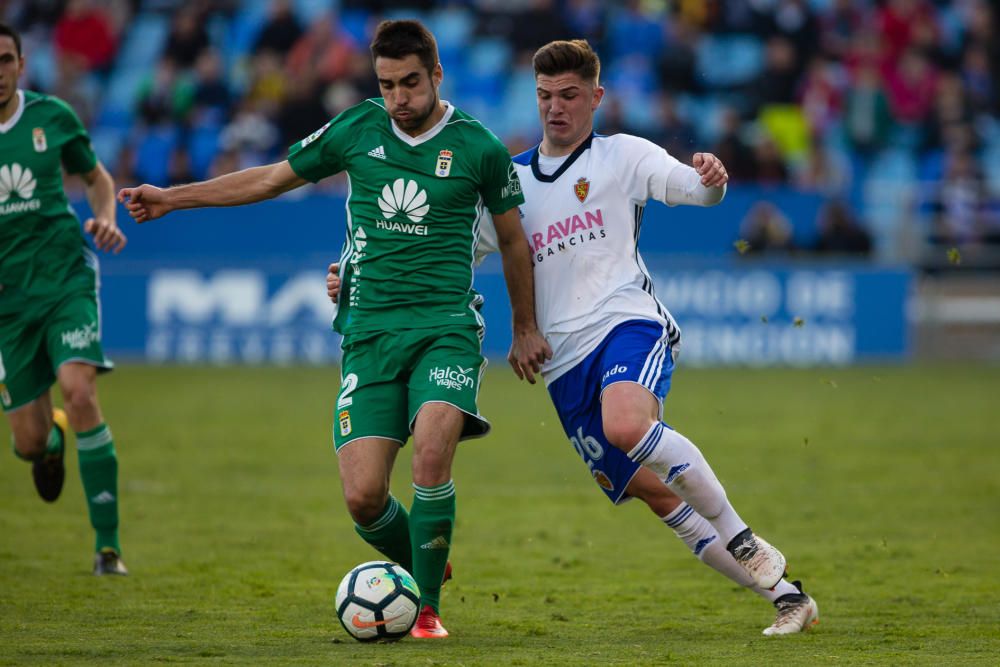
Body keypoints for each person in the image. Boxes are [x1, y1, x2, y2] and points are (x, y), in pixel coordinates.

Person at [344, 38, 818, 636]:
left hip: (625, 323)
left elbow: (697, 191)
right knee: (655, 493)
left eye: (569, 96)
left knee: (627, 425)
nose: (555, 108)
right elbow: (441, 255)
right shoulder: (509, 181)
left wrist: (713, 179)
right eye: (544, 96)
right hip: (563, 367)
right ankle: (787, 597)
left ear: (596, 97)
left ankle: (743, 536)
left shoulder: (623, 157)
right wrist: (357, 276)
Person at [119, 19, 549, 639]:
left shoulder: (478, 147)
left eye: (410, 83)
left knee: (431, 455)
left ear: (436, 75)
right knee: (364, 498)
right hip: (369, 334)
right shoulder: (356, 128)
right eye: (386, 84)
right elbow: (270, 177)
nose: (398, 97)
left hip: (445, 328)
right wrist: (172, 198)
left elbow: (513, 241)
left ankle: (426, 610)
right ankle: (430, 559)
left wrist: (526, 327)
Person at [0, 22, 128, 576]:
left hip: (64, 278)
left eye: (5, 59)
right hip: (9, 304)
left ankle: (108, 548)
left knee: (80, 389)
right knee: (27, 444)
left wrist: (104, 217)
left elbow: (96, 178)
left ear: (21, 64)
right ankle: (48, 438)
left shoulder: (52, 117)